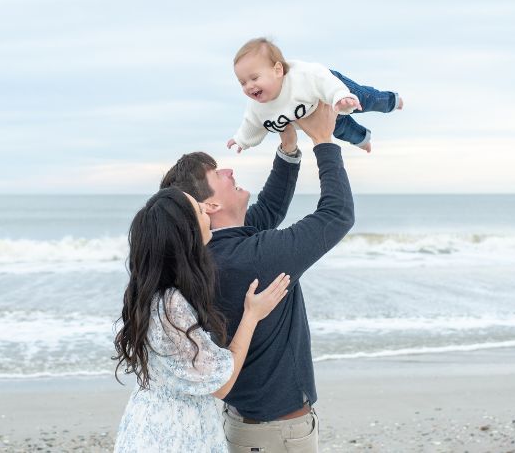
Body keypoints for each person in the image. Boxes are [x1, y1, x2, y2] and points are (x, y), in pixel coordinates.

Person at [162, 99, 353, 453]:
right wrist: (325, 141)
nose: (229, 172)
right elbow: (337, 215)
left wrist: (288, 147)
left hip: (251, 426)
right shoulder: (252, 259)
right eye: (217, 175)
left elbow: (266, 211)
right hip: (275, 435)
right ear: (211, 207)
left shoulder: (212, 253)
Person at [112, 188, 292, 452]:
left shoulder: (151, 293)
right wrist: (252, 315)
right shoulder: (172, 304)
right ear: (187, 233)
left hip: (147, 424)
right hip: (174, 435)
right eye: (198, 209)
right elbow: (222, 384)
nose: (207, 209)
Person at [227, 37, 403, 153]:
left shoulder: (303, 76)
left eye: (254, 78)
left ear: (278, 70)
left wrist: (340, 96)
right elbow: (251, 124)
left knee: (366, 99)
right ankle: (363, 140)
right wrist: (242, 140)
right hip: (314, 115)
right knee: (342, 130)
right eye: (242, 82)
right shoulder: (257, 107)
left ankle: (392, 101)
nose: (249, 86)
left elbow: (323, 80)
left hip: (329, 88)